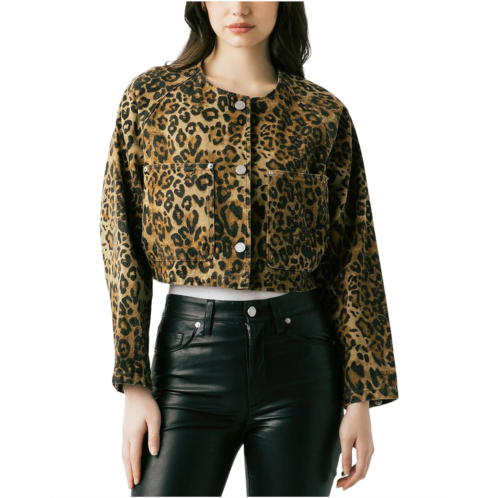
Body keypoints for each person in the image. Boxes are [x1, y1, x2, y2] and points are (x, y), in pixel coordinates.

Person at [100, 2, 399, 496]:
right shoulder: (152, 99)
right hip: (189, 361)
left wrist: (360, 399)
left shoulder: (322, 114)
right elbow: (119, 237)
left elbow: (353, 257)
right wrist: (134, 383)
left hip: (302, 365)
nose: (239, 7)